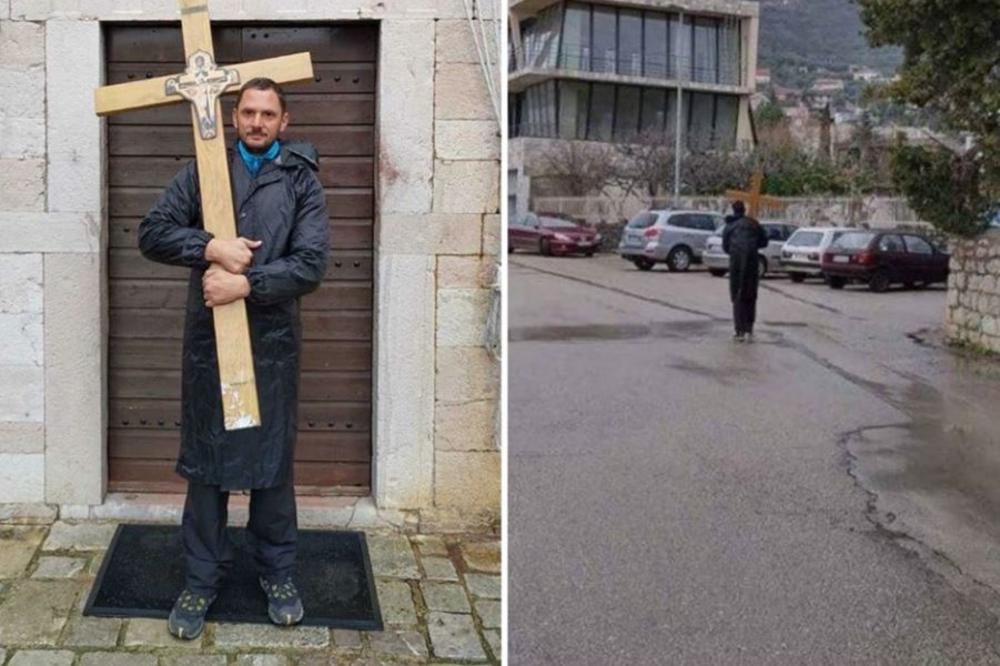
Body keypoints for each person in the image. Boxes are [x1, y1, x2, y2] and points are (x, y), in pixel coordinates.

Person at [138, 77, 330, 639]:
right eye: (247, 112)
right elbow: (152, 233)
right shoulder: (204, 170)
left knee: (272, 467)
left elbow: (313, 263)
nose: (256, 122)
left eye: (267, 113)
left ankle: (278, 573)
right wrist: (208, 247)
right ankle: (201, 579)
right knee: (206, 465)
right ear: (233, 117)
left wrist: (249, 285)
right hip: (208, 346)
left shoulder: (300, 179)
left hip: (271, 345)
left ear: (284, 121)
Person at [722, 201, 769, 342]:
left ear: (733, 210)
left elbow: (725, 246)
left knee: (737, 294)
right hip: (752, 263)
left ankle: (739, 330)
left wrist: (735, 251)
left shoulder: (729, 227)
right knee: (750, 294)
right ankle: (749, 328)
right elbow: (764, 241)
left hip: (736, 263)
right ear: (744, 210)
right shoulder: (754, 224)